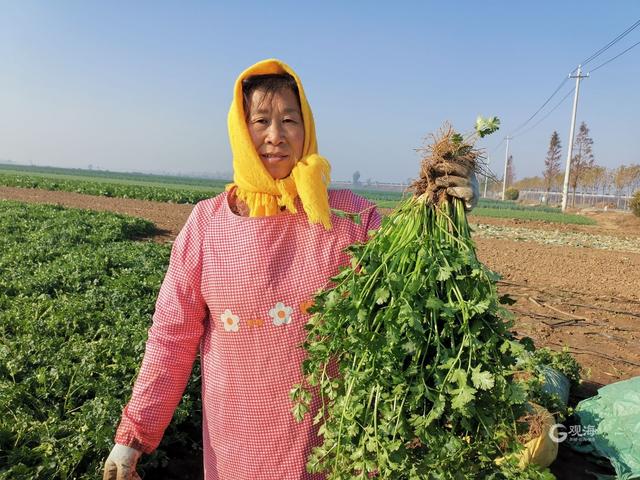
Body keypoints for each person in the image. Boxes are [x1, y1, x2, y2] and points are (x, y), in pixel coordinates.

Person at [103, 59, 478, 480]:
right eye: (260, 120)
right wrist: (132, 437)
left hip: (333, 444)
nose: (275, 136)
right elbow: (171, 336)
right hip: (236, 448)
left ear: (308, 128)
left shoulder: (351, 217)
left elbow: (417, 281)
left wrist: (444, 212)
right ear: (240, 131)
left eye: (289, 120)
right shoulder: (207, 224)